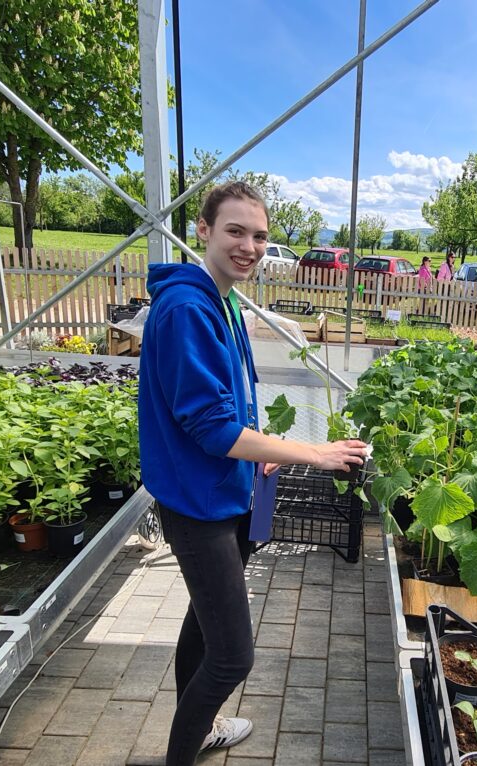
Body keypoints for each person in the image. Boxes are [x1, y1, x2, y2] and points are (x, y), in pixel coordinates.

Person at [137, 181, 369, 766]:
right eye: (235, 231)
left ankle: (201, 731)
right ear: (203, 230)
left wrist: (259, 450)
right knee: (232, 657)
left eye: (260, 236)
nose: (249, 246)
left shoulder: (224, 299)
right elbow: (211, 428)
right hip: (198, 504)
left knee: (205, 627)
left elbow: (232, 405)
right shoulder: (188, 308)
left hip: (224, 490)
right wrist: (313, 453)